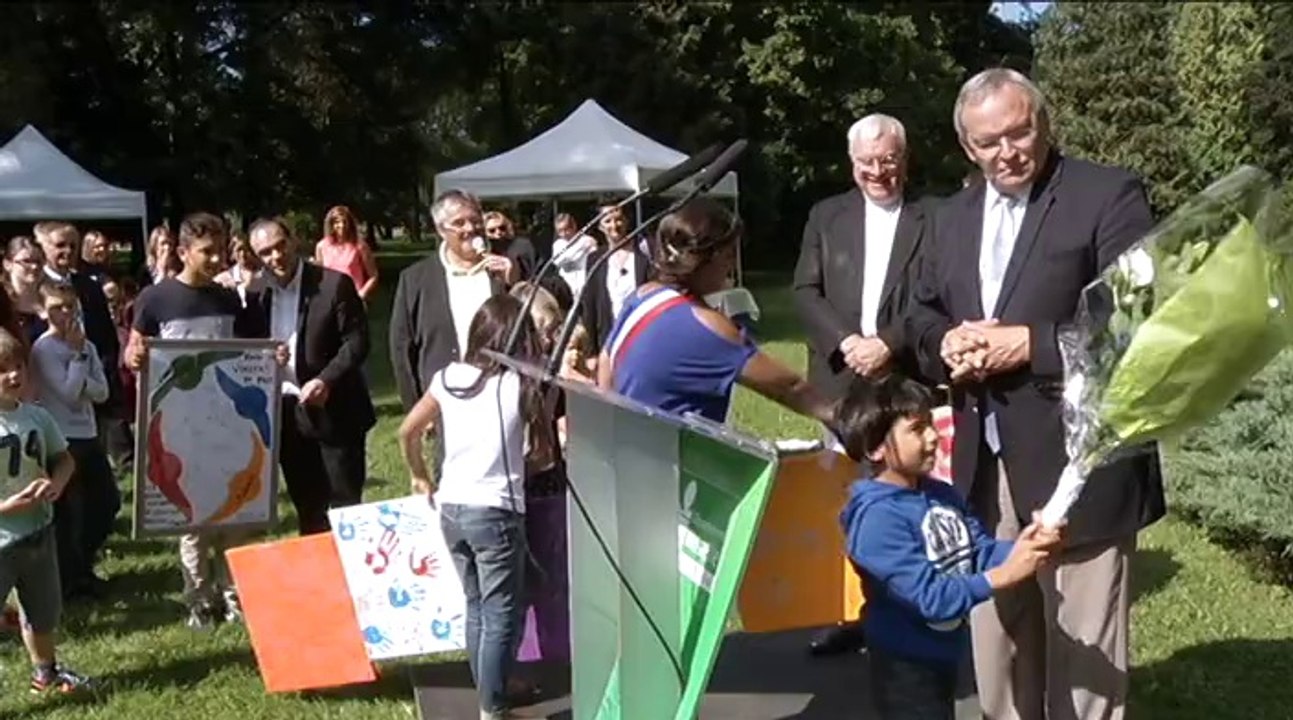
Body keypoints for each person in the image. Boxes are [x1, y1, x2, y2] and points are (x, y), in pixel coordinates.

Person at [906, 68, 1165, 720]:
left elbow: (1136, 315)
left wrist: (1031, 344)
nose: (1007, 151)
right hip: (981, 457)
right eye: (988, 141)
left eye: (1019, 131)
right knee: (997, 639)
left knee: (1083, 661)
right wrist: (945, 342)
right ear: (967, 147)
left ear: (1043, 122)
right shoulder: (948, 215)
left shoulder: (1106, 194)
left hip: (1079, 457)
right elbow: (917, 312)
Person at [836, 374, 1061, 720]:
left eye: (931, 424)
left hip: (942, 655)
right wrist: (1002, 576)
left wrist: (1027, 547)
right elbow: (930, 598)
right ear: (875, 448)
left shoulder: (938, 494)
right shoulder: (877, 520)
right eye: (916, 429)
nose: (932, 437)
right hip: (903, 665)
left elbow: (976, 552)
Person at [794, 112, 933, 656]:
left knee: (903, 499)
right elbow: (805, 290)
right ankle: (852, 614)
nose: (879, 172)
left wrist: (890, 343)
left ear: (905, 158)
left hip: (902, 380)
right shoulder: (826, 216)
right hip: (840, 382)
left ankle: (906, 613)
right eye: (867, 162)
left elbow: (938, 295)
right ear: (851, 163)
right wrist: (847, 341)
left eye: (888, 160)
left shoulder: (934, 217)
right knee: (850, 504)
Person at [397, 294, 550, 720]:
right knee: (502, 611)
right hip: (497, 511)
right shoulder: (521, 384)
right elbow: (539, 455)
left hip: (452, 507)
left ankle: (492, 688)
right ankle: (493, 707)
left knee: (477, 605)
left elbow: (407, 431)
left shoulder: (447, 378)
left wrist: (419, 474)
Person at [127, 212, 275, 629]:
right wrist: (135, 357)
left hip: (225, 418)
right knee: (192, 515)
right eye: (206, 252)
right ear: (182, 251)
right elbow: (133, 353)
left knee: (233, 508)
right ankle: (199, 597)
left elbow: (252, 354)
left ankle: (234, 594)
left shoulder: (230, 299)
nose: (215, 260)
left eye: (220, 250)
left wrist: (272, 359)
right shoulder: (154, 300)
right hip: (178, 423)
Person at [598, 197, 833, 426]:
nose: (732, 264)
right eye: (731, 253)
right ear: (713, 257)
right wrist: (843, 418)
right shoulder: (706, 326)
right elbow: (789, 388)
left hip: (626, 444)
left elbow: (606, 363)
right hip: (674, 457)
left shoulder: (643, 296)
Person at [247, 217, 375, 534]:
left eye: (280, 246)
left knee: (346, 504)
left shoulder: (333, 284)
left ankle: (354, 575)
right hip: (287, 413)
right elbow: (245, 346)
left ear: (294, 242)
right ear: (256, 256)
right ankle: (321, 577)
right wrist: (265, 356)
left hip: (336, 408)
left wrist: (326, 379)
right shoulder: (254, 294)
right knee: (308, 506)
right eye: (266, 252)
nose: (276, 256)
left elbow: (357, 342)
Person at [0, 328, 93, 692]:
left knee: (43, 612)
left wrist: (56, 484)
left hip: (39, 531)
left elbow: (63, 459)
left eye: (18, 366)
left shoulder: (38, 418)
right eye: (2, 369)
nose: (13, 375)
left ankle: (46, 671)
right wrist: (6, 506)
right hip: (3, 539)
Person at [390, 190, 513, 412]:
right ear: (441, 230)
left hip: (501, 396)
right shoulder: (415, 279)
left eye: (475, 221)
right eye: (459, 223)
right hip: (445, 402)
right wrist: (417, 406)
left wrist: (513, 283)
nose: (470, 229)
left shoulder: (504, 267)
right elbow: (401, 347)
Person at [31, 283, 117, 600]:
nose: (65, 313)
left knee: (106, 504)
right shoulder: (44, 349)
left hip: (88, 433)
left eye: (70, 306)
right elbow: (68, 395)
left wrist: (81, 359)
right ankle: (72, 581)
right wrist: (79, 362)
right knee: (69, 515)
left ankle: (83, 566)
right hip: (62, 438)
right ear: (43, 311)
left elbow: (101, 391)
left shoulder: (86, 345)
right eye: (57, 307)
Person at [581, 203, 651, 354]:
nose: (614, 225)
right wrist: (591, 352)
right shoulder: (595, 259)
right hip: (608, 341)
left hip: (641, 338)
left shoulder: (643, 256)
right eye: (608, 221)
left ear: (626, 221)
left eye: (618, 219)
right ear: (600, 226)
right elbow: (589, 305)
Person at [314, 205, 379, 303]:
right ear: (331, 224)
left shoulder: (360, 246)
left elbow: (373, 275)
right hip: (330, 299)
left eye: (345, 222)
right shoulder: (322, 246)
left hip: (353, 298)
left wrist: (362, 294)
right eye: (337, 222)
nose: (342, 225)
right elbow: (320, 276)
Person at [5, 237, 48, 346]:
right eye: (26, 261)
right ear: (8, 264)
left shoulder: (52, 300)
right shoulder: (3, 303)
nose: (34, 267)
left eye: (38, 261)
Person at [483, 211, 536, 283]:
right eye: (492, 230)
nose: (498, 232)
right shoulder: (484, 251)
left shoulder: (522, 245)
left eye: (502, 228)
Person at [550, 212, 596, 296]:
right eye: (560, 231)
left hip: (585, 285)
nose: (564, 234)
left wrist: (569, 255)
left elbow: (593, 260)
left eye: (566, 229)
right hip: (566, 287)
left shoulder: (588, 240)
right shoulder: (558, 244)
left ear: (574, 226)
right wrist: (580, 250)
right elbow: (557, 261)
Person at [214, 231, 261, 305]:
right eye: (239, 250)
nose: (243, 255)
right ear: (232, 253)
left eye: (247, 250)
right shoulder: (222, 280)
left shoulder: (266, 275)